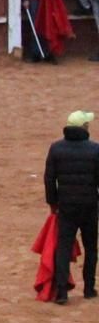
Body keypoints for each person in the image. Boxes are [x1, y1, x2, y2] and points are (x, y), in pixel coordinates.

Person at [43, 111, 99, 304]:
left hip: (66, 206)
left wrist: (53, 203)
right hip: (90, 206)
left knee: (63, 248)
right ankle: (89, 288)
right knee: (91, 247)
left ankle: (61, 292)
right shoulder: (95, 150)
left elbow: (50, 179)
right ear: (84, 127)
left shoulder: (57, 149)